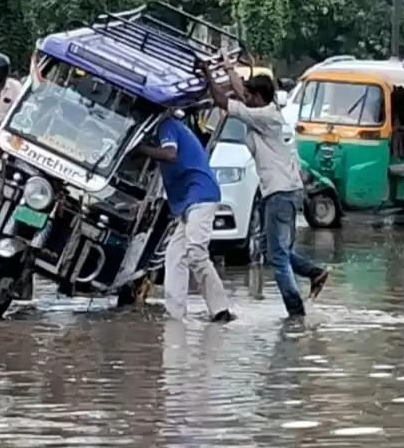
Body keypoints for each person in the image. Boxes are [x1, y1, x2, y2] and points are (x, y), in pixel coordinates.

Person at [205, 62, 329, 318]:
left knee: (278, 258)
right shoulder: (267, 112)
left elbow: (221, 100)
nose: (245, 98)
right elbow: (241, 96)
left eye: (250, 96)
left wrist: (207, 74)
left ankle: (296, 314)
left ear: (259, 98)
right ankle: (314, 272)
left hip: (280, 194)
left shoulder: (264, 117)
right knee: (278, 252)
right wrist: (229, 71)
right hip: (287, 192)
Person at [136, 112, 234, 323]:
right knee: (174, 255)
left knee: (196, 252)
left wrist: (142, 149)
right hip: (190, 200)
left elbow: (170, 155)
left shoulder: (167, 126)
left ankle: (221, 310)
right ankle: (175, 315)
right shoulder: (172, 127)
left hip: (200, 196)